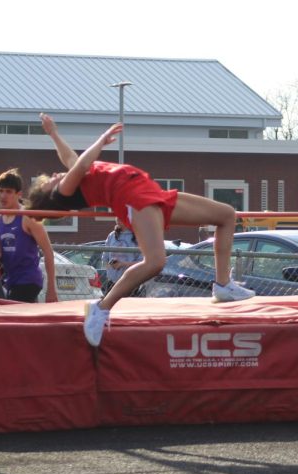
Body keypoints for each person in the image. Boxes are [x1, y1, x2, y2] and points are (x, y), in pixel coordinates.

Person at [26, 113, 254, 347]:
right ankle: (101, 308)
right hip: (135, 198)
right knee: (155, 261)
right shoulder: (65, 190)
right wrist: (102, 140)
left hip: (151, 192)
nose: (54, 175)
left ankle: (223, 285)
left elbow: (69, 157)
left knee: (226, 215)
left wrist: (53, 133)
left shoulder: (75, 180)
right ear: (50, 195)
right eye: (48, 182)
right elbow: (81, 163)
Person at [0, 168, 58, 303]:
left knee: (12, 318)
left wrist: (51, 289)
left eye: (8, 192)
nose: (3, 196)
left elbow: (48, 251)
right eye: (0, 191)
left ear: (18, 194)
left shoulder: (28, 217)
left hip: (29, 280)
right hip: (10, 280)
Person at [101, 218, 143, 295]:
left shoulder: (137, 236)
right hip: (112, 282)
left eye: (121, 216)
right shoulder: (112, 235)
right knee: (111, 306)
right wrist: (110, 267)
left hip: (131, 282)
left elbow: (142, 262)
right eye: (117, 217)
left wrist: (122, 264)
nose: (118, 219)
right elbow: (105, 258)